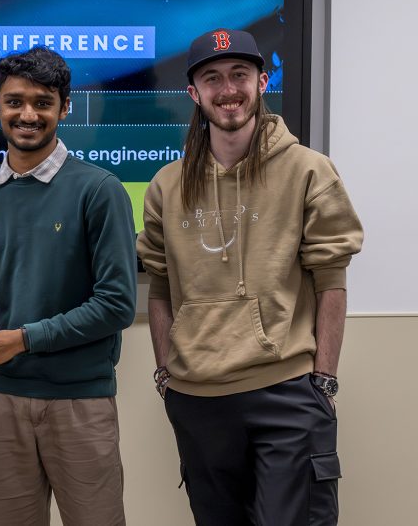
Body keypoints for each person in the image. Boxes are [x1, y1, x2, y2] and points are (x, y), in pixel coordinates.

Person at [136, 28, 364, 525]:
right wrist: (164, 373)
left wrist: (323, 380)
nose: (228, 89)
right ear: (194, 95)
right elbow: (160, 286)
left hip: (286, 392)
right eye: (212, 78)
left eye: (240, 74)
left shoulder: (309, 170)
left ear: (263, 81)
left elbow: (331, 277)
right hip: (198, 399)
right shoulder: (166, 186)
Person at [0, 47, 137, 526]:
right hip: (1, 402)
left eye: (42, 102)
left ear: (65, 107)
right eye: (14, 102)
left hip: (81, 402)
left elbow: (116, 304)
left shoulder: (99, 190)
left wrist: (23, 339)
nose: (27, 114)